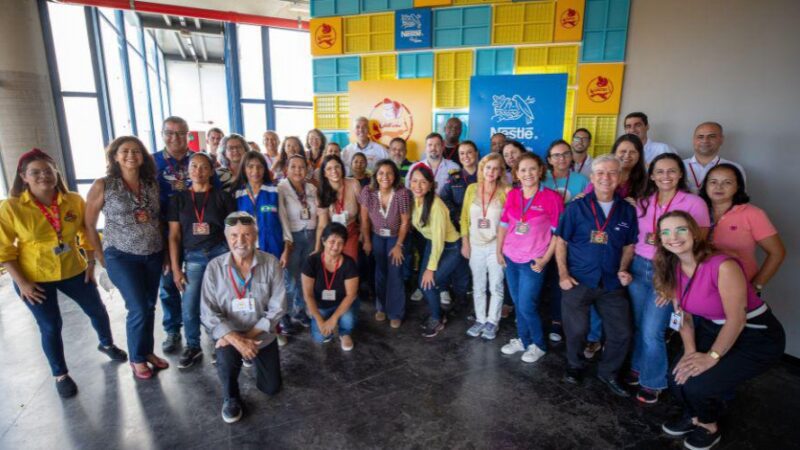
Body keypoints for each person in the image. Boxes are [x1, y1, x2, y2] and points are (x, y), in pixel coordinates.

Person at [0, 149, 127, 398]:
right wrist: (22, 283)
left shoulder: (72, 200)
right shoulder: (12, 207)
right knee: (50, 325)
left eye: (48, 170)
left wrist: (91, 263)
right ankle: (60, 374)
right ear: (23, 177)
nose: (43, 176)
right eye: (35, 172)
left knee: (97, 310)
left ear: (56, 172)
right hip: (33, 277)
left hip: (72, 269)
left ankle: (107, 343)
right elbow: (4, 251)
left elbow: (86, 232)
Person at [654, 211, 785, 450]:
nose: (673, 236)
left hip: (756, 335)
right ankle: (693, 415)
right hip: (713, 328)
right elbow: (683, 315)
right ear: (660, 239)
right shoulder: (672, 266)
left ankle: (708, 425)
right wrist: (691, 352)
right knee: (678, 375)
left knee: (698, 385)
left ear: (694, 233)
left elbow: (737, 319)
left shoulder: (722, 265)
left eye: (681, 229)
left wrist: (711, 357)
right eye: (665, 232)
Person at [628, 153, 711, 404]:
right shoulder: (643, 202)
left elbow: (700, 245)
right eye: (660, 171)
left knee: (654, 330)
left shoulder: (694, 203)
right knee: (641, 324)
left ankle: (653, 381)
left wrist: (675, 281)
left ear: (680, 174)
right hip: (638, 267)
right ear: (651, 175)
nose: (666, 176)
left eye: (671, 171)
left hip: (668, 270)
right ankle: (639, 365)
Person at [84, 137, 169, 379]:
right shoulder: (104, 185)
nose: (131, 155)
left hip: (152, 253)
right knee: (138, 307)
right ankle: (137, 358)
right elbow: (89, 224)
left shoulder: (151, 184)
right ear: (115, 156)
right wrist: (101, 257)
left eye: (136, 151)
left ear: (143, 157)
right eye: (125, 151)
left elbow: (156, 219)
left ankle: (147, 351)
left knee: (150, 306)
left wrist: (163, 253)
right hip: (121, 256)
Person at [555, 155, 637, 396]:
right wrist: (563, 274)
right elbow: (561, 242)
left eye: (612, 173)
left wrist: (623, 268)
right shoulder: (576, 208)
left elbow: (629, 245)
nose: (606, 178)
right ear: (592, 177)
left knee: (622, 331)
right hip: (578, 280)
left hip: (611, 283)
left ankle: (609, 372)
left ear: (619, 178)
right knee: (577, 330)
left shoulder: (627, 210)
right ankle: (574, 365)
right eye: (600, 172)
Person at [200, 212, 286, 424]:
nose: (240, 241)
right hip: (229, 335)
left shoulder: (271, 263)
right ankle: (231, 397)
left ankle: (248, 355)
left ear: (255, 235)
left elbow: (278, 307)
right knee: (226, 358)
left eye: (247, 235)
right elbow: (207, 312)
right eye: (234, 235)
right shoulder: (214, 268)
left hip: (261, 334)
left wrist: (247, 338)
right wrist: (235, 340)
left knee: (272, 388)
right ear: (226, 237)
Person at [168, 152, 236, 369]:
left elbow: (232, 231)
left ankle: (221, 341)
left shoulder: (222, 197)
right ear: (188, 170)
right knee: (189, 306)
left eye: (204, 167)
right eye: (194, 166)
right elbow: (174, 236)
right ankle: (193, 346)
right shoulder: (177, 199)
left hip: (220, 255)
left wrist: (234, 261)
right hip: (193, 258)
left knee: (221, 303)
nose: (198, 171)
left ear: (211, 171)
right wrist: (177, 269)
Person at [497, 153, 564, 363]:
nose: (528, 174)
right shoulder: (513, 195)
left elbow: (558, 234)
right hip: (510, 258)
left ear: (541, 170)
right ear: (516, 173)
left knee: (527, 305)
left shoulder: (552, 198)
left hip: (533, 261)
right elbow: (504, 225)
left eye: (532, 169)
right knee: (519, 303)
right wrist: (499, 251)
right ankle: (523, 340)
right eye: (523, 170)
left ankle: (539, 344)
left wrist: (545, 259)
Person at [700, 164, 784, 291]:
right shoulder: (696, 211)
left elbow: (777, 253)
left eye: (727, 182)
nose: (719, 187)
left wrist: (757, 285)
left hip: (740, 288)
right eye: (713, 182)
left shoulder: (753, 214)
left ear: (738, 186)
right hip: (702, 287)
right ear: (706, 185)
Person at [408, 165, 470, 338]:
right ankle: (438, 314)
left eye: (423, 182)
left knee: (428, 283)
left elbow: (438, 241)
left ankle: (437, 318)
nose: (418, 186)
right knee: (424, 283)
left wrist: (431, 268)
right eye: (414, 181)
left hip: (450, 248)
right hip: (434, 244)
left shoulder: (436, 206)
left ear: (431, 185)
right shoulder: (414, 200)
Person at [154, 116, 196, 353]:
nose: (175, 138)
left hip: (196, 230)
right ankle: (172, 329)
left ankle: (203, 325)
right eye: (170, 133)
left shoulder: (199, 160)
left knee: (200, 280)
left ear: (188, 135)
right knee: (169, 279)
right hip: (164, 230)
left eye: (181, 133)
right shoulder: (152, 162)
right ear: (162, 134)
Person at [541, 139, 590, 344]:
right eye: (556, 155)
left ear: (571, 157)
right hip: (544, 238)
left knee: (561, 280)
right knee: (545, 280)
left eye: (565, 154)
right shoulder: (542, 179)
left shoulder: (582, 180)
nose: (561, 158)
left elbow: (588, 209)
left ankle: (557, 321)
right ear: (549, 160)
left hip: (570, 240)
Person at [460, 153, 509, 340]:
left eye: (496, 168)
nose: (491, 171)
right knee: (478, 284)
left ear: (500, 172)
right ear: (482, 168)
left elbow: (510, 221)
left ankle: (492, 321)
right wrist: (465, 242)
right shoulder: (472, 189)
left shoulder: (506, 191)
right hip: (475, 245)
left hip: (496, 245)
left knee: (495, 285)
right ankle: (480, 319)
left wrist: (503, 247)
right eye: (488, 167)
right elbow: (464, 218)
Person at [359, 159, 411, 328]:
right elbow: (364, 219)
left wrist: (399, 245)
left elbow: (405, 222)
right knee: (380, 272)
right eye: (381, 173)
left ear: (395, 175)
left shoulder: (402, 193)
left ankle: (395, 312)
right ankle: (381, 307)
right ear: (376, 175)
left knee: (395, 273)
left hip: (396, 238)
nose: (385, 176)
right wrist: (367, 240)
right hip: (377, 237)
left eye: (389, 173)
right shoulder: (368, 191)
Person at [302, 223, 360, 351]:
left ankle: (344, 332)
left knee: (348, 319)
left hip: (343, 303)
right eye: (332, 241)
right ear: (323, 241)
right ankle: (326, 321)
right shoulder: (312, 261)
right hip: (320, 305)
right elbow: (308, 294)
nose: (335, 246)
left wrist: (333, 320)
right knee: (320, 337)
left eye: (340, 243)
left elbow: (351, 295)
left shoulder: (349, 263)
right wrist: (319, 320)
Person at [278, 155, 319, 328]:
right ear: (286, 169)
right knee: (290, 280)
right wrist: (287, 243)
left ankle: (300, 310)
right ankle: (284, 315)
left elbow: (318, 212)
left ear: (307, 169)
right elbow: (282, 216)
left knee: (305, 277)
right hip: (292, 238)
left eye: (302, 167)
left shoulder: (311, 188)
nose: (298, 170)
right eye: (293, 166)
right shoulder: (281, 188)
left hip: (310, 235)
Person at [233, 151, 291, 264]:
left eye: (259, 167)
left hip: (274, 248)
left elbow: (284, 221)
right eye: (250, 167)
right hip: (247, 250)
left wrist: (287, 249)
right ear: (244, 169)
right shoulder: (237, 194)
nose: (255, 171)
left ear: (265, 169)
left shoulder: (275, 191)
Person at [316, 155, 362, 261]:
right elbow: (322, 224)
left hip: (352, 232)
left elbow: (363, 212)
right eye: (329, 168)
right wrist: (317, 248)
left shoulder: (354, 183)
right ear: (324, 173)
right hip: (332, 235)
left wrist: (363, 233)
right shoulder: (321, 192)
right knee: (333, 265)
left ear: (342, 168)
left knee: (350, 265)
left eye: (337, 167)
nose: (334, 171)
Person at [684, 122, 746, 194]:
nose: (705, 140)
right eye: (700, 136)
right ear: (693, 140)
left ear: (721, 140)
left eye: (712, 136)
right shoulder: (678, 166)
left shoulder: (734, 168)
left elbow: (740, 199)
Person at [585, 134, 648, 202]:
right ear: (614, 153)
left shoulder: (646, 182)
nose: (627, 155)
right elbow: (586, 202)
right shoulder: (601, 177)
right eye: (623, 151)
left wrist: (637, 208)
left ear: (639, 155)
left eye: (632, 152)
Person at [441, 141, 479, 231]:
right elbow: (444, 198)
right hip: (459, 224)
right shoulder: (454, 177)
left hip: (480, 222)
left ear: (476, 153)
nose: (465, 156)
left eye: (469, 152)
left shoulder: (485, 176)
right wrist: (457, 215)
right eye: (462, 153)